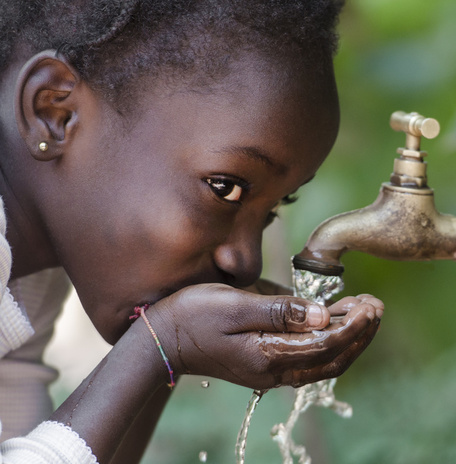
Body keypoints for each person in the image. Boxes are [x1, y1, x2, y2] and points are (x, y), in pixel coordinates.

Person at [0, 0, 384, 462]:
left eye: (273, 209)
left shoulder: (30, 273)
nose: (245, 263)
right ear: (54, 112)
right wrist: (160, 344)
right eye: (225, 188)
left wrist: (170, 343)